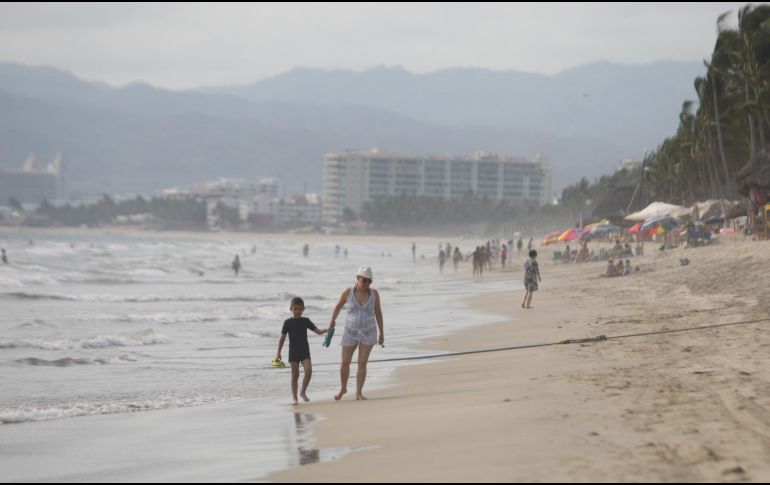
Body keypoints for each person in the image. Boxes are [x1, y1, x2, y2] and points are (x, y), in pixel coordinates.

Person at [329, 266, 384, 401]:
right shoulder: (348, 292)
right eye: (364, 280)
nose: (367, 283)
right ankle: (343, 388)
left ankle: (359, 393)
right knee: (345, 363)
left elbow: (378, 312)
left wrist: (382, 333)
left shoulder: (374, 294)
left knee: (362, 363)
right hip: (350, 331)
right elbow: (337, 307)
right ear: (358, 279)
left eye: (369, 281)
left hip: (369, 332)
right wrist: (332, 321)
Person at [275, 297, 330, 406]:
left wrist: (328, 328)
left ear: (303, 309)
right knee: (295, 375)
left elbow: (318, 331)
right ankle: (294, 397)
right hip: (293, 352)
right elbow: (282, 338)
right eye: (295, 309)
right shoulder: (287, 322)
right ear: (291, 309)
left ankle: (303, 392)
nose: (298, 311)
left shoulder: (306, 321)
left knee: (308, 371)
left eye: (300, 309)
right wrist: (278, 352)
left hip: (305, 351)